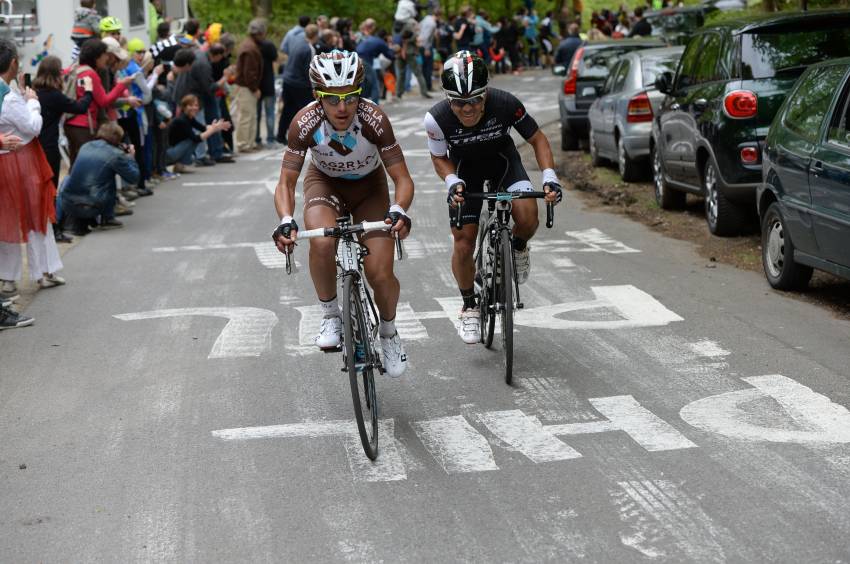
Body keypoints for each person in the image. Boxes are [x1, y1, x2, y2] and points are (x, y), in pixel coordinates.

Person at [271, 51, 415, 377]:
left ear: (359, 94)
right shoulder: (304, 123)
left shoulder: (374, 119)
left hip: (370, 188)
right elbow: (286, 181)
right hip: (324, 184)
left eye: (350, 98)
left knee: (379, 272)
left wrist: (398, 209)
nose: (342, 107)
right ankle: (330, 315)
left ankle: (390, 333)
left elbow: (403, 178)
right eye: (332, 99)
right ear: (316, 96)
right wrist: (285, 220)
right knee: (321, 242)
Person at [423, 51, 562, 344]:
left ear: (486, 94)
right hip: (465, 171)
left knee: (528, 217)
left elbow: (537, 138)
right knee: (463, 241)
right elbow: (438, 158)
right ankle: (469, 305)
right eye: (459, 102)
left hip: (503, 162)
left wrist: (549, 176)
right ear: (449, 99)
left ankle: (519, 248)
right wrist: (452, 181)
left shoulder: (506, 104)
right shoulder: (436, 118)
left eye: (475, 99)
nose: (468, 108)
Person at [0, 39, 66, 298]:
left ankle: (8, 278)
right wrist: (32, 101)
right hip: (23, 160)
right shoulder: (10, 99)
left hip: (4, 161)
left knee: (7, 219)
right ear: (14, 63)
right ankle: (44, 272)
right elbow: (32, 127)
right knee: (37, 217)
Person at [33, 55, 94, 242]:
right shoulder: (54, 95)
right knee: (51, 188)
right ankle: (54, 229)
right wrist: (88, 91)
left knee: (38, 189)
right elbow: (79, 107)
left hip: (34, 146)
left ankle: (42, 226)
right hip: (50, 146)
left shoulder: (34, 91)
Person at [58, 122, 139, 235]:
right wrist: (130, 157)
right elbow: (134, 178)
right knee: (109, 177)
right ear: (117, 139)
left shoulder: (86, 146)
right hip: (91, 206)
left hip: (68, 204)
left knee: (69, 178)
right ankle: (107, 219)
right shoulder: (116, 155)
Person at [64, 38, 134, 165]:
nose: (106, 59)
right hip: (84, 126)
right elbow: (104, 101)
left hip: (70, 123)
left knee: (75, 165)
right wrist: (122, 85)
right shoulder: (91, 74)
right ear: (96, 57)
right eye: (104, 55)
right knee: (87, 166)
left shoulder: (76, 69)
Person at [276, 24, 319, 145]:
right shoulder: (310, 49)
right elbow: (310, 70)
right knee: (308, 111)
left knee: (287, 109)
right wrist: (314, 87)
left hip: (288, 80)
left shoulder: (297, 43)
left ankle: (280, 135)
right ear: (316, 36)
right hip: (300, 84)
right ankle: (310, 137)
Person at [165, 94, 230, 171]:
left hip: (173, 151)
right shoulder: (182, 120)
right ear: (184, 107)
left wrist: (217, 127)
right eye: (190, 105)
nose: (194, 108)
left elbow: (203, 128)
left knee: (193, 141)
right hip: (169, 154)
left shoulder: (188, 118)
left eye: (196, 105)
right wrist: (213, 130)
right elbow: (196, 139)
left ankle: (179, 165)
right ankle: (179, 164)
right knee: (192, 140)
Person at [233, 19, 265, 153]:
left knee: (250, 116)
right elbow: (249, 73)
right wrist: (254, 88)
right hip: (246, 87)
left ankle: (248, 143)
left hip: (246, 86)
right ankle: (243, 144)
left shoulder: (249, 45)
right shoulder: (250, 49)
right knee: (246, 116)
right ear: (259, 33)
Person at [356, 19, 395, 103]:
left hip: (356, 59)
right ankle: (375, 104)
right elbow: (389, 55)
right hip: (365, 61)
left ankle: (361, 103)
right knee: (375, 84)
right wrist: (394, 50)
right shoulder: (380, 42)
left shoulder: (368, 38)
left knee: (364, 83)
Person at [255, 35, 278, 148]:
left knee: (257, 114)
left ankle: (256, 138)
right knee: (270, 113)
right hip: (268, 83)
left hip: (257, 85)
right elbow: (275, 57)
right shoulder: (269, 44)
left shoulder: (254, 46)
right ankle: (270, 139)